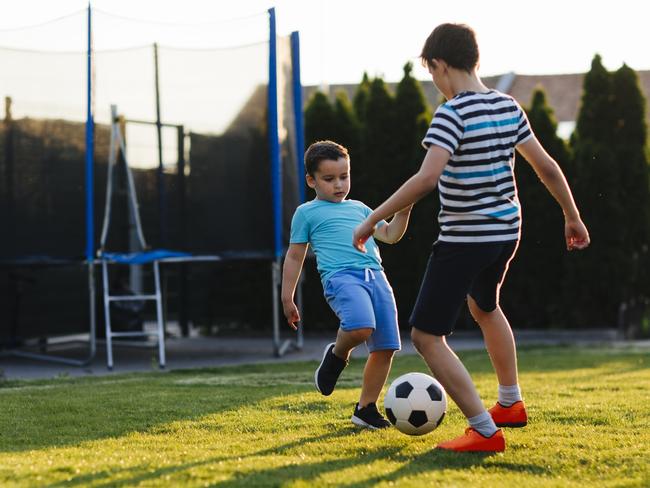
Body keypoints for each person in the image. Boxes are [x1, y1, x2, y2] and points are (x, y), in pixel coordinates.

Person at [352, 23, 590, 452]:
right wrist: (572, 216)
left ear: (440, 65)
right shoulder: (508, 106)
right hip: (506, 232)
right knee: (485, 305)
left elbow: (427, 179)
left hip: (465, 238)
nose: (435, 84)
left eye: (432, 75)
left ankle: (483, 429)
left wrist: (372, 220)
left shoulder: (452, 114)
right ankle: (510, 403)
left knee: (426, 336)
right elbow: (547, 167)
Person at [281, 140, 413, 430]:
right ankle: (337, 355)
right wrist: (287, 296)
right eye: (329, 179)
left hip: (377, 277)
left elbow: (390, 235)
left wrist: (403, 211)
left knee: (386, 347)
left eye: (344, 176)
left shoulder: (361, 209)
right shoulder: (306, 213)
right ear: (311, 180)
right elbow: (294, 256)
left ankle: (365, 409)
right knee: (360, 327)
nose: (339, 184)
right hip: (341, 277)